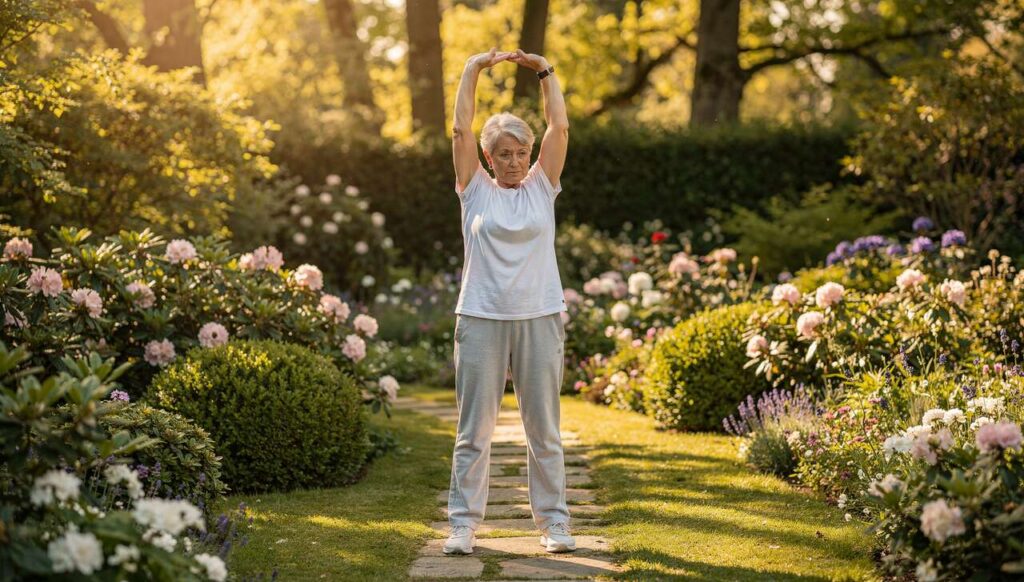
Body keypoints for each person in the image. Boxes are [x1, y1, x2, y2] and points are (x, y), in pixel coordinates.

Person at [443, 47, 573, 556]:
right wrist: (473, 69)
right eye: (504, 153)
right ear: (488, 157)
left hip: (539, 317)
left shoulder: (544, 185)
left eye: (522, 152)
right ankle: (463, 525)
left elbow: (560, 129)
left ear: (531, 154)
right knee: (473, 432)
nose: (515, 161)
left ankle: (554, 523)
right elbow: (458, 130)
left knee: (544, 431)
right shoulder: (474, 189)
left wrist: (543, 70)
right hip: (481, 318)